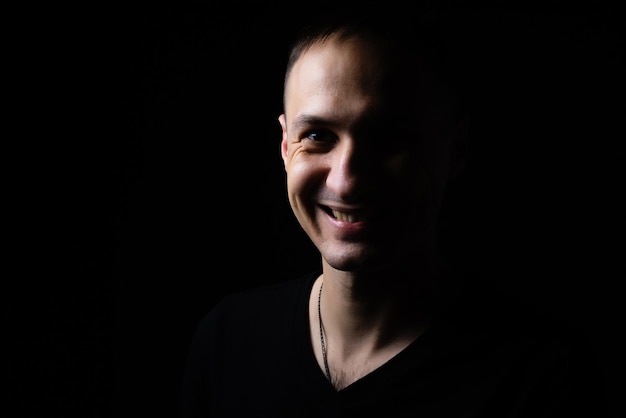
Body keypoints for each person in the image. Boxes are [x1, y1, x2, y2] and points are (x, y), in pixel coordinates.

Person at [179, 5, 608, 417]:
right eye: (317, 135)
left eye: (387, 139)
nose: (346, 181)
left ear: (455, 149)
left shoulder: (539, 377)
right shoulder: (226, 341)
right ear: (285, 146)